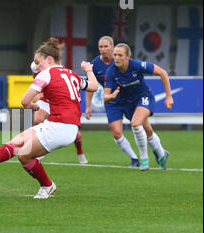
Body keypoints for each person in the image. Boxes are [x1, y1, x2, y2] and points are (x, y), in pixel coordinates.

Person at [0, 37, 98, 199]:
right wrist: (88, 69)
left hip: (60, 127)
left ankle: (47, 186)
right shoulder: (71, 74)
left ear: (49, 59)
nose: (36, 66)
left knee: (23, 154)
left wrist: (31, 106)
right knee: (17, 142)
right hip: (64, 125)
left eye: (38, 62)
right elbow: (94, 86)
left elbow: (24, 101)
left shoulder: (45, 74)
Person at [86, 36, 166, 168]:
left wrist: (168, 97)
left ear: (112, 47)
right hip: (113, 101)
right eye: (100, 47)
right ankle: (136, 159)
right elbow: (91, 85)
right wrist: (89, 105)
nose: (103, 49)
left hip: (132, 98)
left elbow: (161, 72)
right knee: (117, 132)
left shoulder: (128, 63)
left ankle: (160, 153)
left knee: (145, 129)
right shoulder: (98, 66)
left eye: (106, 46)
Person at [104, 43, 173, 171]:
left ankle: (144, 160)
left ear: (128, 56)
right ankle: (162, 155)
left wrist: (169, 96)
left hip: (144, 97)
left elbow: (163, 73)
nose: (117, 58)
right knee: (147, 131)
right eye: (115, 55)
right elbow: (105, 96)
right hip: (129, 103)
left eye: (120, 55)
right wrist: (112, 96)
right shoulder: (111, 71)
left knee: (136, 124)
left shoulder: (137, 65)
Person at [31, 61, 88, 164]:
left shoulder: (55, 69)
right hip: (46, 100)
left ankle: (80, 152)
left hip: (59, 100)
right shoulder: (36, 67)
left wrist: (41, 95)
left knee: (71, 129)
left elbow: (59, 87)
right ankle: (42, 147)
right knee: (37, 120)